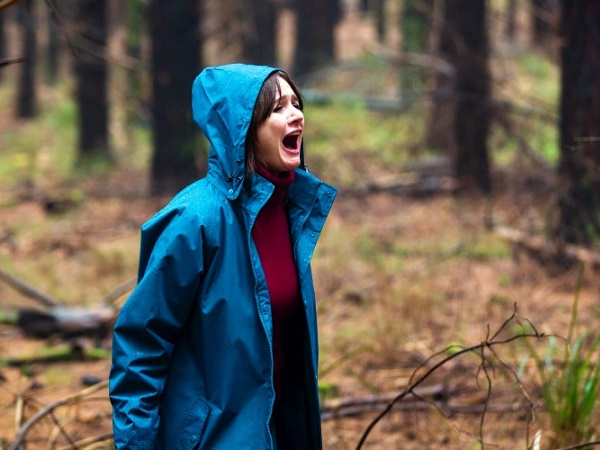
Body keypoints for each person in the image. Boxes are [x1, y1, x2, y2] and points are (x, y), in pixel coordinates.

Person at [109, 63, 337, 449]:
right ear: (243, 128)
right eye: (278, 108)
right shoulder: (195, 220)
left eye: (296, 104)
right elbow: (141, 348)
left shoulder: (291, 210)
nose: (297, 115)